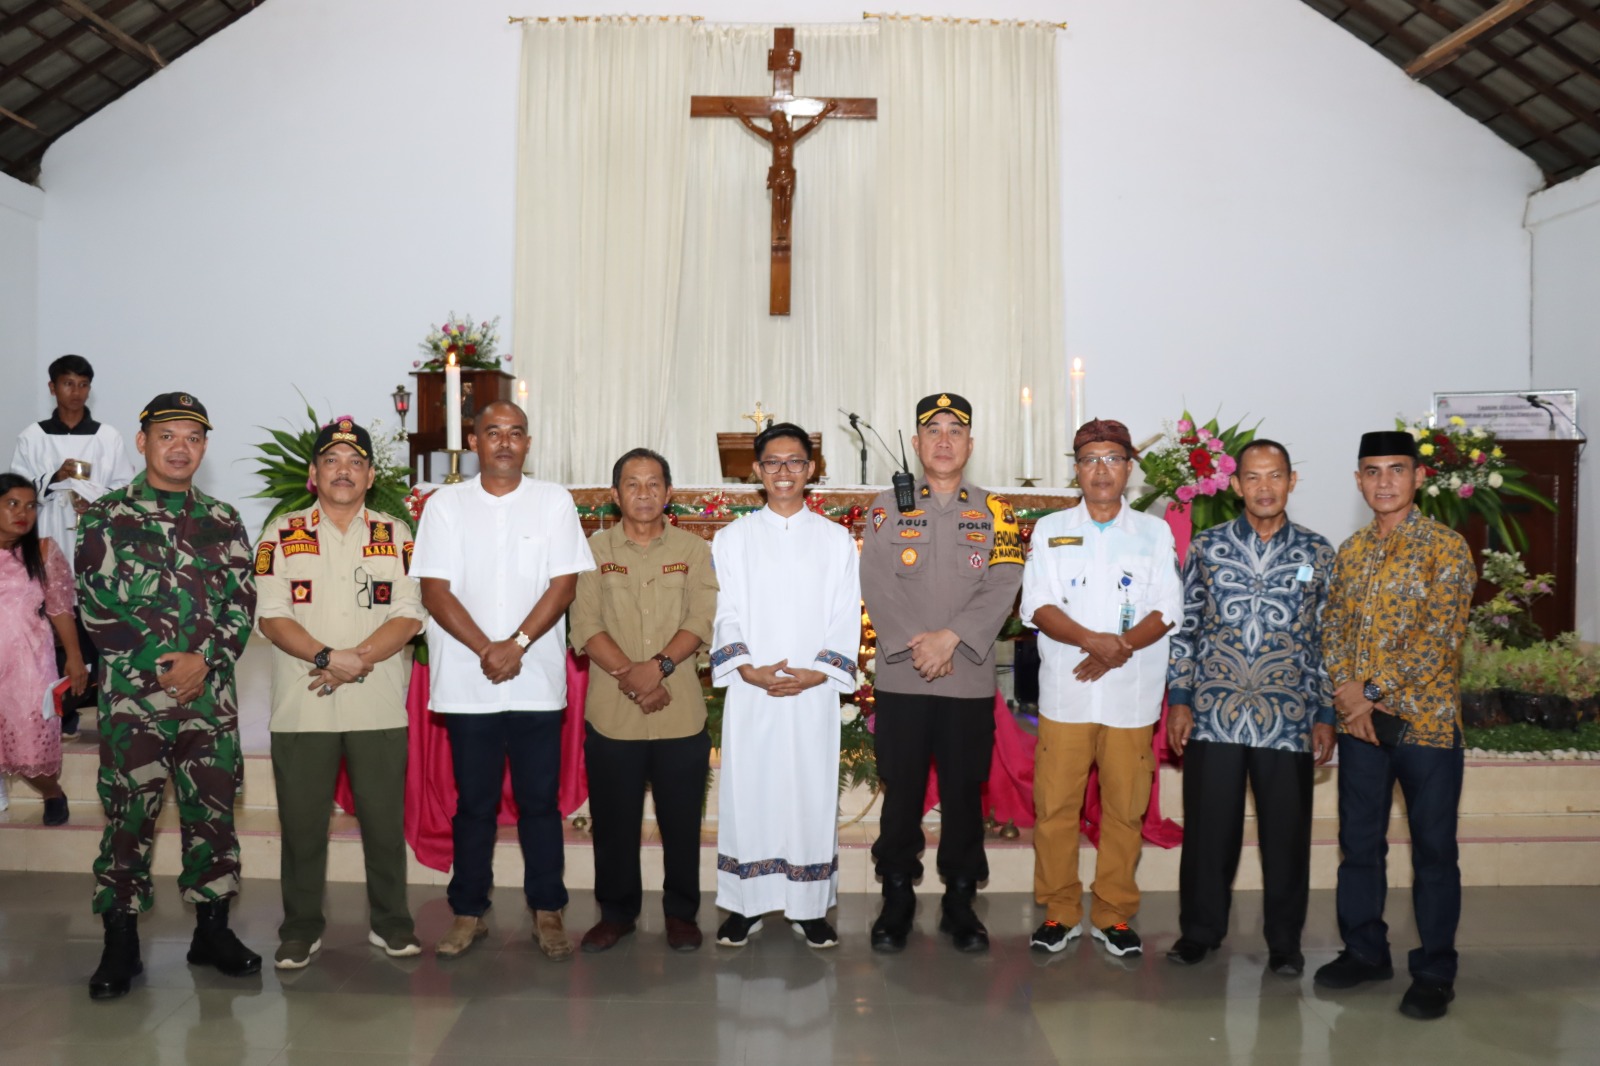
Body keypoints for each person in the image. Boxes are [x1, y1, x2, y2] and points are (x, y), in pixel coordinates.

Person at [75, 392, 259, 1000]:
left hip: (209, 702)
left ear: (203, 448)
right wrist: (165, 665)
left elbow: (242, 604)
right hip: (135, 705)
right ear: (143, 441)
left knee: (212, 818)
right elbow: (98, 609)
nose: (181, 448)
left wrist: (203, 661)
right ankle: (120, 943)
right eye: (168, 435)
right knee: (129, 820)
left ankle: (212, 931)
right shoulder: (106, 516)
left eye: (193, 438)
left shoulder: (225, 520)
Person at [411, 401, 595, 961]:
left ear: (528, 442)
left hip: (534, 678)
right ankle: (469, 912)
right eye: (494, 432)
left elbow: (563, 585)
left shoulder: (553, 501)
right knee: (475, 805)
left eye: (516, 432)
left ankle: (548, 909)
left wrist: (514, 645)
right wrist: (486, 649)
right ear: (474, 441)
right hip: (469, 685)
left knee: (540, 802)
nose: (505, 442)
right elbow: (435, 591)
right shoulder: (445, 506)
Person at [1315, 430, 1476, 1021]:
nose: (1384, 481)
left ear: (1417, 478)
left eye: (1396, 470)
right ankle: (1365, 951)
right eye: (1372, 471)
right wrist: (1346, 691)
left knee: (1434, 850)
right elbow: (1331, 626)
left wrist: (1370, 694)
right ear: (1358, 480)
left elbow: (1440, 640)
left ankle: (1435, 970)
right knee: (1360, 844)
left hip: (1427, 729)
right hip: (1363, 733)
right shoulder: (1351, 550)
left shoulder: (1446, 548)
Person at [255, 418, 428, 969]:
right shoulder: (280, 533)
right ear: (313, 474)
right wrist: (330, 659)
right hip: (302, 701)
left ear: (371, 475)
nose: (344, 471)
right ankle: (301, 929)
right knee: (303, 828)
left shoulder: (396, 535)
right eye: (332, 461)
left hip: (376, 702)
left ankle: (392, 923)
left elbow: (409, 613)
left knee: (382, 822)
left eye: (355, 463)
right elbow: (271, 616)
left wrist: (357, 662)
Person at [1165, 439, 1337, 976]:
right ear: (1236, 485)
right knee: (1209, 834)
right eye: (1253, 477)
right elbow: (1186, 627)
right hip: (1214, 711)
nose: (1265, 487)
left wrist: (1325, 710)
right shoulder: (1208, 546)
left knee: (1286, 837)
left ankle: (1285, 942)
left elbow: (1328, 638)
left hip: (1287, 718)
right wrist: (1180, 698)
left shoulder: (1317, 552)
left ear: (1292, 481)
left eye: (1276, 476)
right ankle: (1200, 932)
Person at [861, 393, 1024, 954]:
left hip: (967, 676)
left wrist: (950, 638)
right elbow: (876, 583)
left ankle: (960, 898)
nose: (945, 440)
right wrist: (922, 647)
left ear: (971, 444)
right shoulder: (885, 509)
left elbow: (1004, 584)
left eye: (956, 430)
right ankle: (898, 895)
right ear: (916, 443)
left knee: (962, 790)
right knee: (901, 788)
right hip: (905, 677)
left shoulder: (996, 511)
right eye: (934, 431)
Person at [1019, 418, 1180, 958]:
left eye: (1112, 458)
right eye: (1090, 460)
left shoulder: (1154, 533)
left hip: (1131, 696)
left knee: (1125, 809)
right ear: (1076, 470)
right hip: (1067, 693)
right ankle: (1060, 911)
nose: (1101, 470)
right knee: (1056, 808)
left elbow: (1167, 609)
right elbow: (1037, 605)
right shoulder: (1050, 529)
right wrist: (1095, 642)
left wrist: (1119, 649)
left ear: (1129, 468)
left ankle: (1113, 913)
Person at [710, 422, 860, 949]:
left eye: (795, 462)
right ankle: (744, 905)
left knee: (809, 792)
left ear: (812, 470)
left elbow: (846, 612)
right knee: (749, 792)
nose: (784, 472)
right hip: (754, 691)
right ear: (755, 470)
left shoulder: (836, 539)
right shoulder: (732, 539)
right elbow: (724, 610)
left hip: (812, 692)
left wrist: (820, 671)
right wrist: (746, 667)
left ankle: (809, 907)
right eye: (772, 462)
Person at [570, 448, 719, 953]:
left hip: (679, 711)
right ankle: (616, 913)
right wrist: (631, 678)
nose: (643, 494)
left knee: (682, 823)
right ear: (615, 495)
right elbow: (585, 625)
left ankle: (681, 913)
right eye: (632, 484)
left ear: (669, 492)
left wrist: (657, 670)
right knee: (614, 824)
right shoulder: (591, 550)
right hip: (613, 715)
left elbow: (700, 621)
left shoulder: (694, 550)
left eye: (654, 483)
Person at [10, 354, 134, 732]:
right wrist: (53, 478)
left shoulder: (107, 436)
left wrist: (94, 500)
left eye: (83, 385)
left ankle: (100, 702)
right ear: (52, 388)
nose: (76, 392)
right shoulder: (33, 436)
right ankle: (63, 708)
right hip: (48, 535)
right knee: (53, 620)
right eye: (68, 384)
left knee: (96, 620)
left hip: (94, 538)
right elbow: (18, 490)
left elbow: (123, 488)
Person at [0, 473, 88, 823]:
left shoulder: (43, 550)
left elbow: (60, 609)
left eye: (30, 505)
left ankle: (53, 793)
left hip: (29, 664)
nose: (23, 513)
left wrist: (76, 658)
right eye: (11, 504)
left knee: (30, 741)